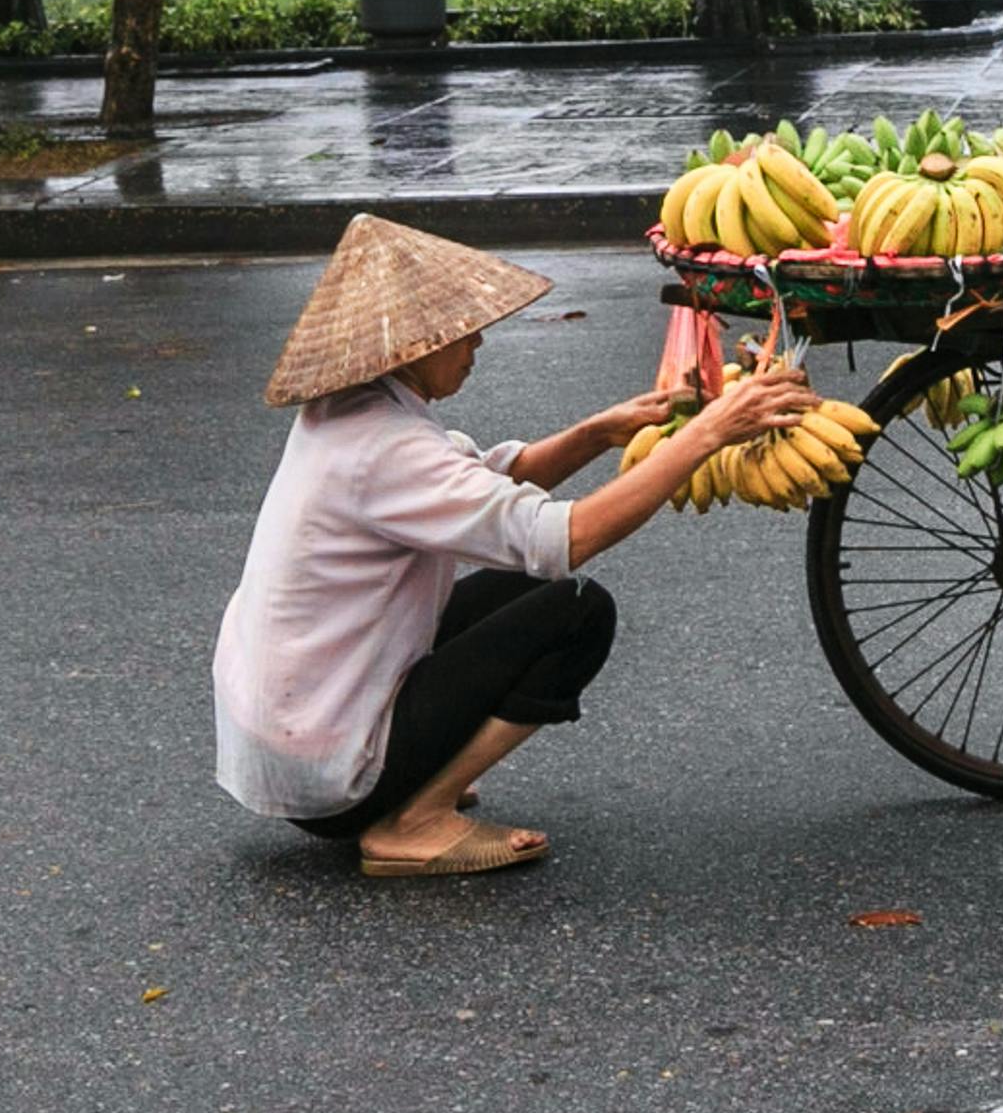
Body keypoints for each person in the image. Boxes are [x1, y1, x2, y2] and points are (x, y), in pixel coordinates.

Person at [214, 214, 811, 878]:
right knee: (578, 608)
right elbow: (566, 537)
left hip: (295, 729)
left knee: (522, 594)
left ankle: (413, 769)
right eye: (463, 331)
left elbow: (490, 480)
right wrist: (708, 435)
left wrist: (596, 432)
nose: (477, 341)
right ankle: (411, 818)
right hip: (324, 769)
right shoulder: (384, 450)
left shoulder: (349, 412)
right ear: (415, 344)